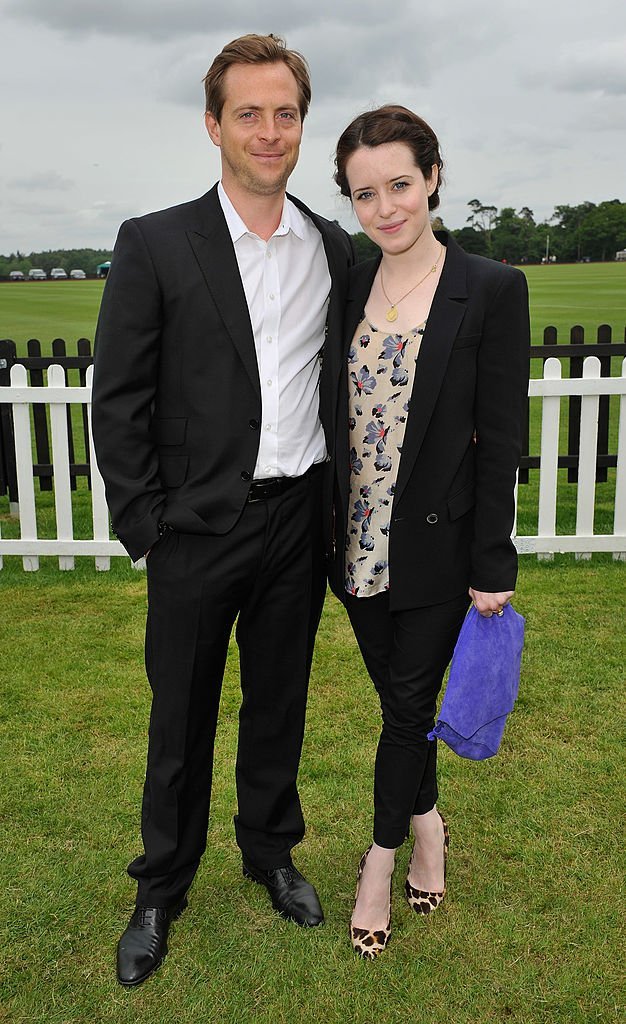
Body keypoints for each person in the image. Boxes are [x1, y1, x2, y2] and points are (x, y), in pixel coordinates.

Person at [92, 33, 353, 987]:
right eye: (249, 112)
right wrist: (146, 529)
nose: (269, 130)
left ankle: (270, 850)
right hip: (195, 532)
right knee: (183, 718)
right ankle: (161, 884)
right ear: (214, 125)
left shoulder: (331, 245)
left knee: (279, 703)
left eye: (285, 112)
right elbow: (117, 397)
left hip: (298, 523)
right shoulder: (155, 242)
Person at [329, 106, 530, 958]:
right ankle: (432, 823)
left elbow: (503, 437)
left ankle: (384, 860)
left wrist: (493, 559)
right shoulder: (345, 281)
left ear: (433, 178)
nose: (386, 207)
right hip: (351, 543)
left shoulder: (488, 286)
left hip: (439, 547)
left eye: (400, 185)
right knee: (398, 704)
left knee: (406, 711)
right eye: (365, 193)